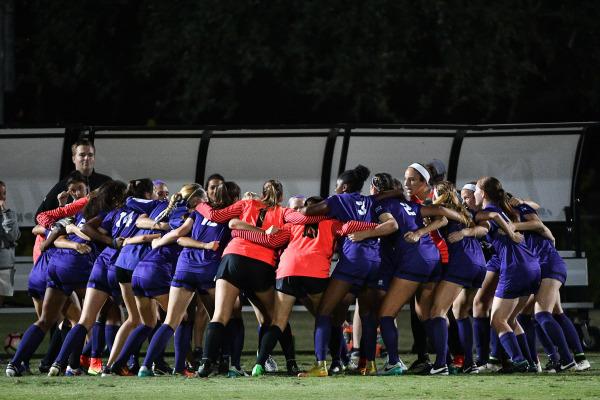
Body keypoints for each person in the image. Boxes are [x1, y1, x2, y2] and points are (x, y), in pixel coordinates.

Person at [0, 181, 20, 307]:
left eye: (4, 193)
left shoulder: (9, 214)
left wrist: (5, 213)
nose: (2, 197)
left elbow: (13, 236)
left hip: (5, 264)